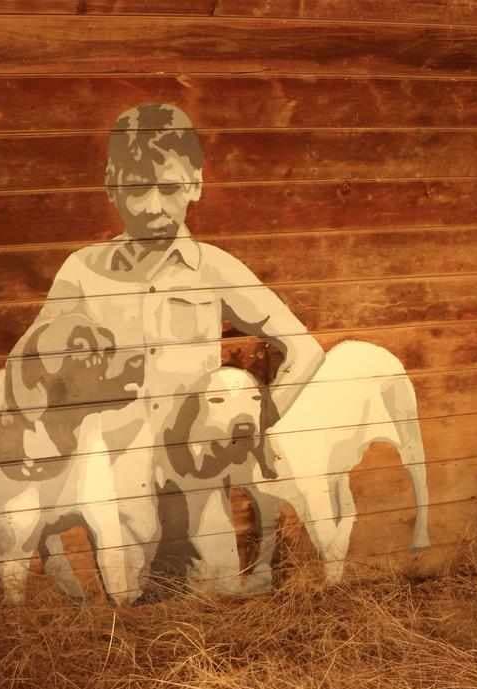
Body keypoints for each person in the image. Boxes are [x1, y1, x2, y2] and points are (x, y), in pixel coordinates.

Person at [20, 103, 325, 596]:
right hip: (119, 461)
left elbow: (303, 349)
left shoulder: (214, 268)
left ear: (196, 185)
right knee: (125, 586)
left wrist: (252, 422)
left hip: (196, 462)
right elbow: (31, 361)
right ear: (112, 185)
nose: (153, 206)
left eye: (169, 188)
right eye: (138, 188)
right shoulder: (83, 271)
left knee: (216, 579)